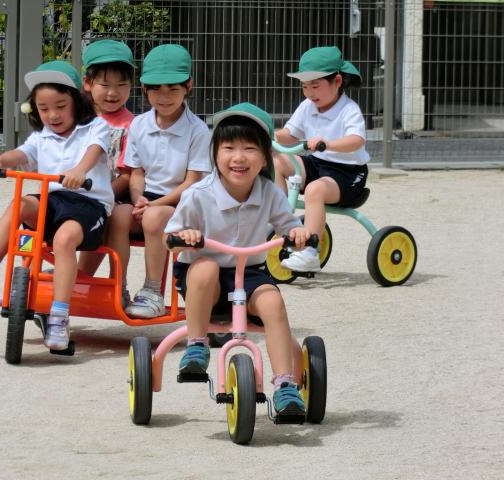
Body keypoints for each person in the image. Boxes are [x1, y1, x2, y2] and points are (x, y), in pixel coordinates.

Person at [164, 103, 311, 416]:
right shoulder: (198, 194)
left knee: (273, 302)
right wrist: (185, 235)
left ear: (265, 158)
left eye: (249, 148)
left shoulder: (268, 192)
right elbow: (169, 237)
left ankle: (285, 385)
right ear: (215, 153)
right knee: (205, 267)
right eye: (229, 148)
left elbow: (288, 225)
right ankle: (197, 343)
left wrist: (297, 233)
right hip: (204, 279)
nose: (239, 157)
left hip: (250, 273)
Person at [0, 60, 114, 351]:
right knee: (21, 203)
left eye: (60, 106)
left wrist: (80, 170)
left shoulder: (95, 127)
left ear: (76, 102)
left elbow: (95, 150)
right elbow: (21, 154)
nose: (52, 115)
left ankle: (59, 315)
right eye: (44, 108)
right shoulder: (42, 137)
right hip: (53, 199)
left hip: (89, 204)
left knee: (65, 240)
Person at [107, 43, 212, 318]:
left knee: (154, 219)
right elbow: (137, 172)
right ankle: (118, 286)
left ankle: (152, 291)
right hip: (146, 200)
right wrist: (138, 199)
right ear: (144, 89)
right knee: (117, 215)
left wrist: (154, 206)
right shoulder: (139, 124)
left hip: (181, 204)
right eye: (156, 90)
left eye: (173, 89)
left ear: (188, 86)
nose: (164, 98)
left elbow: (192, 182)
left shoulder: (198, 130)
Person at [274, 46, 369, 273]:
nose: (309, 93)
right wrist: (270, 135)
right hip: (319, 164)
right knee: (278, 161)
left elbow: (357, 140)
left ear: (337, 81)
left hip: (348, 174)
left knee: (315, 189)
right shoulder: (307, 106)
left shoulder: (348, 109)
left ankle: (309, 252)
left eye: (315, 86)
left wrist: (328, 143)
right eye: (304, 86)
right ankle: (283, 222)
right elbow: (290, 135)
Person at [77, 39, 136, 277]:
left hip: (114, 195)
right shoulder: (76, 119)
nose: (113, 93)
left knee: (106, 216)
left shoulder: (132, 125)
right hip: (77, 191)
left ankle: (104, 280)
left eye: (122, 85)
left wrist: (102, 194)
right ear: (87, 83)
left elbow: (127, 175)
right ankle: (74, 275)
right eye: (104, 84)